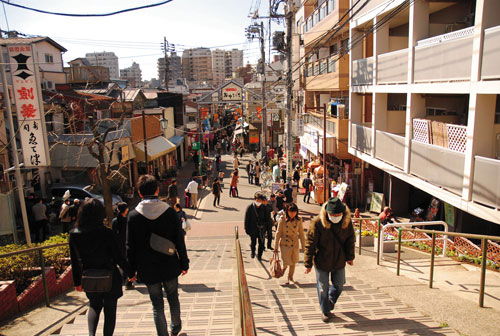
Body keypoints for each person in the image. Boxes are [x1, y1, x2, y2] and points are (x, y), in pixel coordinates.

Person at [127, 175, 189, 336]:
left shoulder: (133, 216)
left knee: (157, 304)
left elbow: (130, 246)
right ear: (157, 190)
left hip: (147, 267)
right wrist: (184, 262)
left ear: (140, 193)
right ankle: (175, 326)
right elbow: (179, 240)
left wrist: (130, 270)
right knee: (173, 297)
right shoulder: (169, 212)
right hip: (169, 263)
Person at [69, 198, 133, 336]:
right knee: (110, 311)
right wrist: (130, 272)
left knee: (94, 305)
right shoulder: (107, 233)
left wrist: (77, 282)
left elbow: (74, 261)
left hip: (89, 277)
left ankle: (91, 334)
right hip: (110, 276)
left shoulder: (74, 235)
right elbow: (118, 257)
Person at [304, 197, 355, 323]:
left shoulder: (347, 222)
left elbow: (350, 240)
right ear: (327, 212)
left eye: (338, 214)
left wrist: (350, 257)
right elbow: (310, 243)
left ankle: (330, 300)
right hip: (322, 260)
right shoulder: (317, 223)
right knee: (322, 288)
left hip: (339, 260)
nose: (335, 216)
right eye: (333, 214)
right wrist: (308, 263)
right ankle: (325, 310)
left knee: (339, 285)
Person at [275, 203, 305, 285]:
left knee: (293, 261)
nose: (292, 214)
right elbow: (278, 233)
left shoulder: (299, 220)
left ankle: (290, 277)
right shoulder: (282, 220)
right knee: (286, 261)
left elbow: (301, 234)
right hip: (284, 243)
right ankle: (282, 271)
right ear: (287, 211)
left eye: (294, 212)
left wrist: (304, 247)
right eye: (291, 212)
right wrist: (275, 247)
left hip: (294, 243)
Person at [112, 202, 134, 290]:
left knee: (122, 262)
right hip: (127, 244)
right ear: (126, 210)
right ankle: (128, 281)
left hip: (118, 245)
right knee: (128, 262)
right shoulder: (127, 220)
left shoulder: (114, 221)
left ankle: (124, 279)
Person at [244, 193, 270, 261]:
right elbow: (247, 219)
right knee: (253, 242)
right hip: (252, 228)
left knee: (261, 243)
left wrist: (266, 228)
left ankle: (259, 255)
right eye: (257, 200)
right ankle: (253, 252)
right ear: (255, 200)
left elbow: (267, 219)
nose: (258, 202)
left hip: (261, 229)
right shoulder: (250, 207)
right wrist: (246, 229)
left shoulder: (264, 208)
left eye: (260, 200)